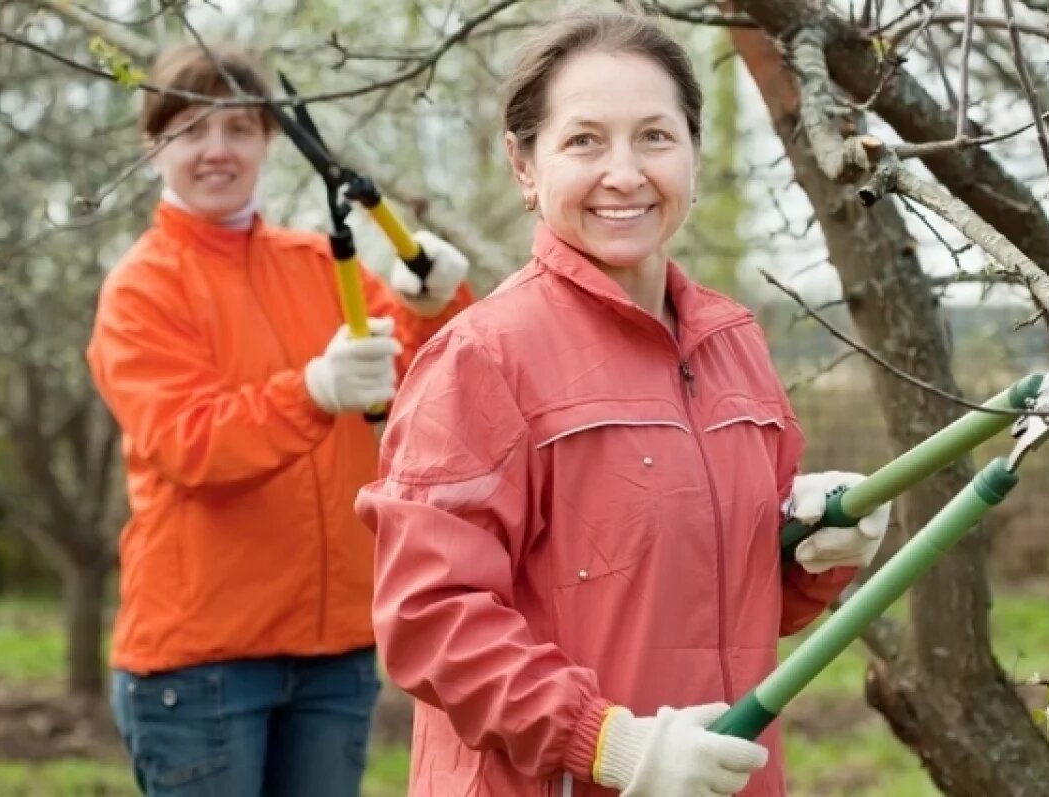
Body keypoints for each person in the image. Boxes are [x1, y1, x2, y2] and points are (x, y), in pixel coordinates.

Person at [356, 9, 892, 797]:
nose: (625, 173)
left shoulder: (731, 342)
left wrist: (817, 549)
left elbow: (730, 596)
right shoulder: (482, 359)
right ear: (523, 164)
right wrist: (609, 742)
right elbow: (430, 620)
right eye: (584, 141)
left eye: (654, 136)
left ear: (694, 154)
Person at [86, 42, 474, 797]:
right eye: (191, 130)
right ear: (154, 144)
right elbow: (188, 442)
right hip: (202, 666)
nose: (217, 150)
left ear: (269, 139)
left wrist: (437, 306)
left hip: (334, 657)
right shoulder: (141, 289)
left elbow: (429, 381)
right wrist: (312, 392)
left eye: (238, 128)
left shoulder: (315, 263)